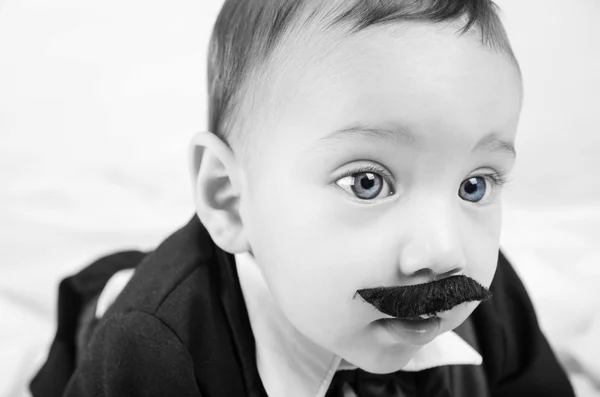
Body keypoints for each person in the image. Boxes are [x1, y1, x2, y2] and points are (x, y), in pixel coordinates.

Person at [30, 0, 575, 396]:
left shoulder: (479, 286)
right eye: (367, 182)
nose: (444, 249)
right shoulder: (153, 347)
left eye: (473, 185)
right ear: (228, 198)